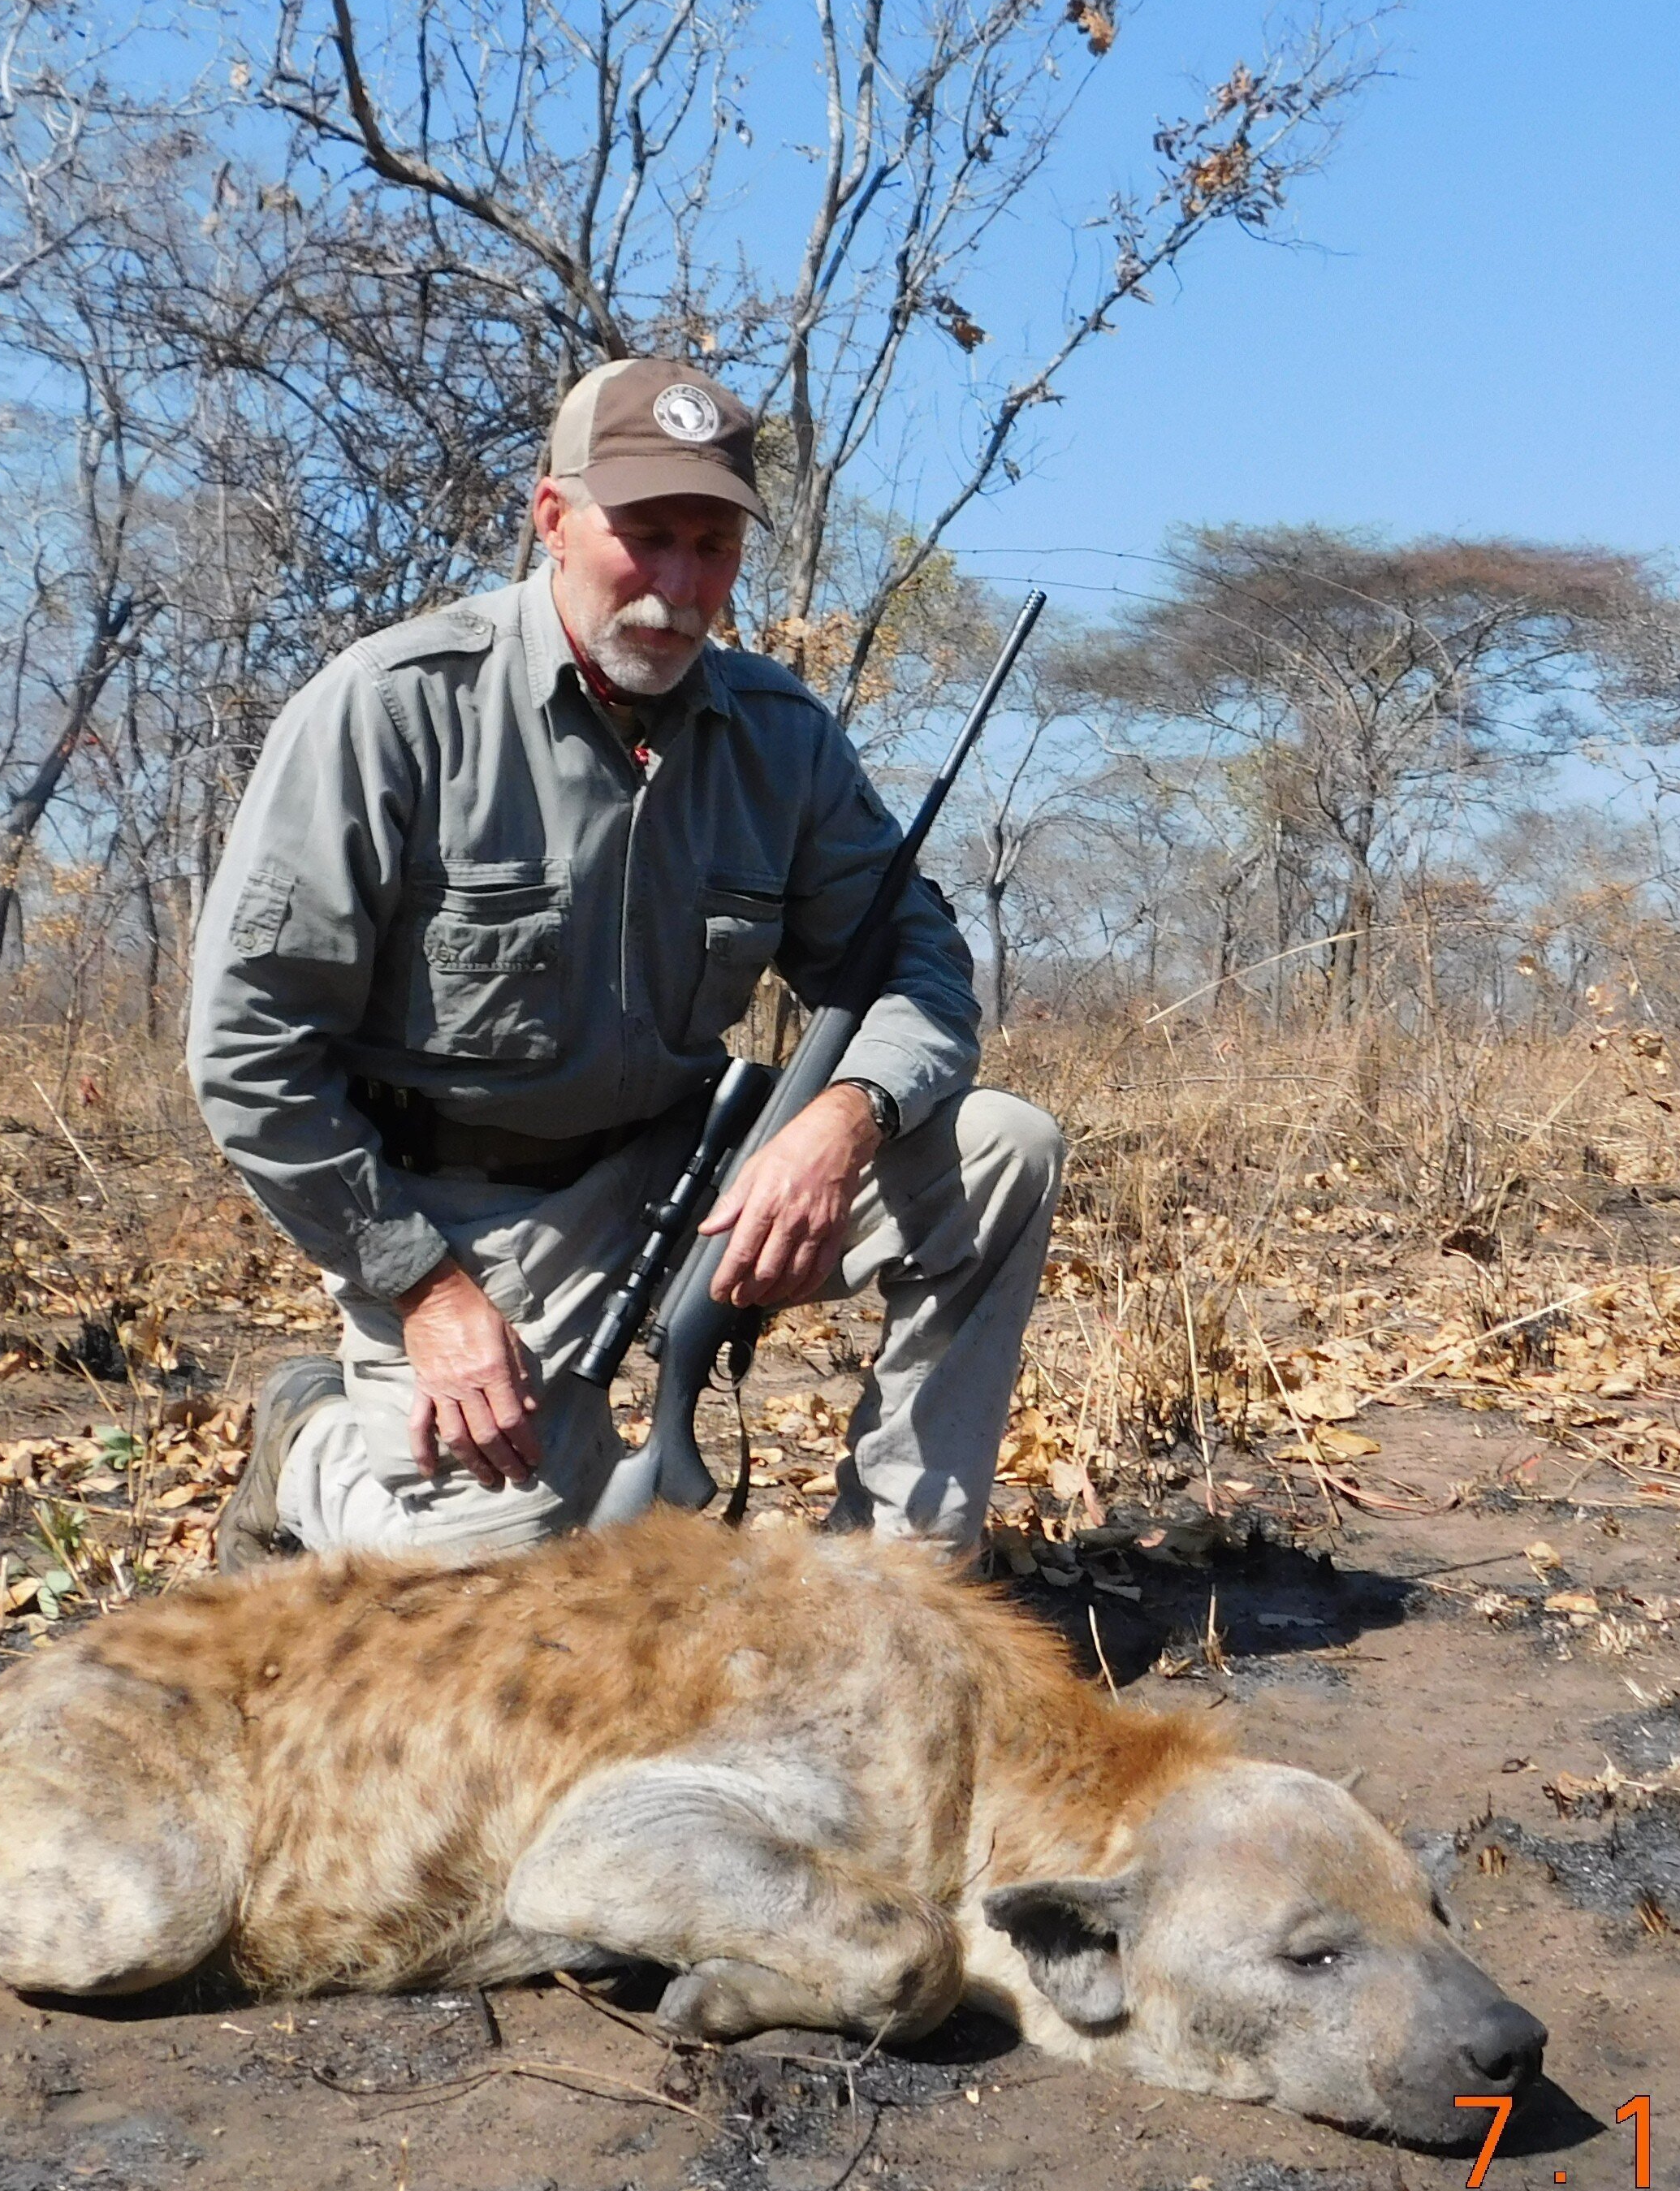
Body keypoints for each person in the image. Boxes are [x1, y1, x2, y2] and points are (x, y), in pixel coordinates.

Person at [187, 357, 1064, 1570]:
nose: (677, 587)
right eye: (644, 538)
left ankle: (896, 1586)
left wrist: (842, 1124)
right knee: (480, 1588)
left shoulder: (782, 739)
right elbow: (248, 1047)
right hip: (456, 1221)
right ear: (553, 518)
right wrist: (426, 1293)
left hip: (684, 1175)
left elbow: (921, 965)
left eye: (712, 547)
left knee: (1001, 1148)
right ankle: (313, 1440)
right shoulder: (391, 709)